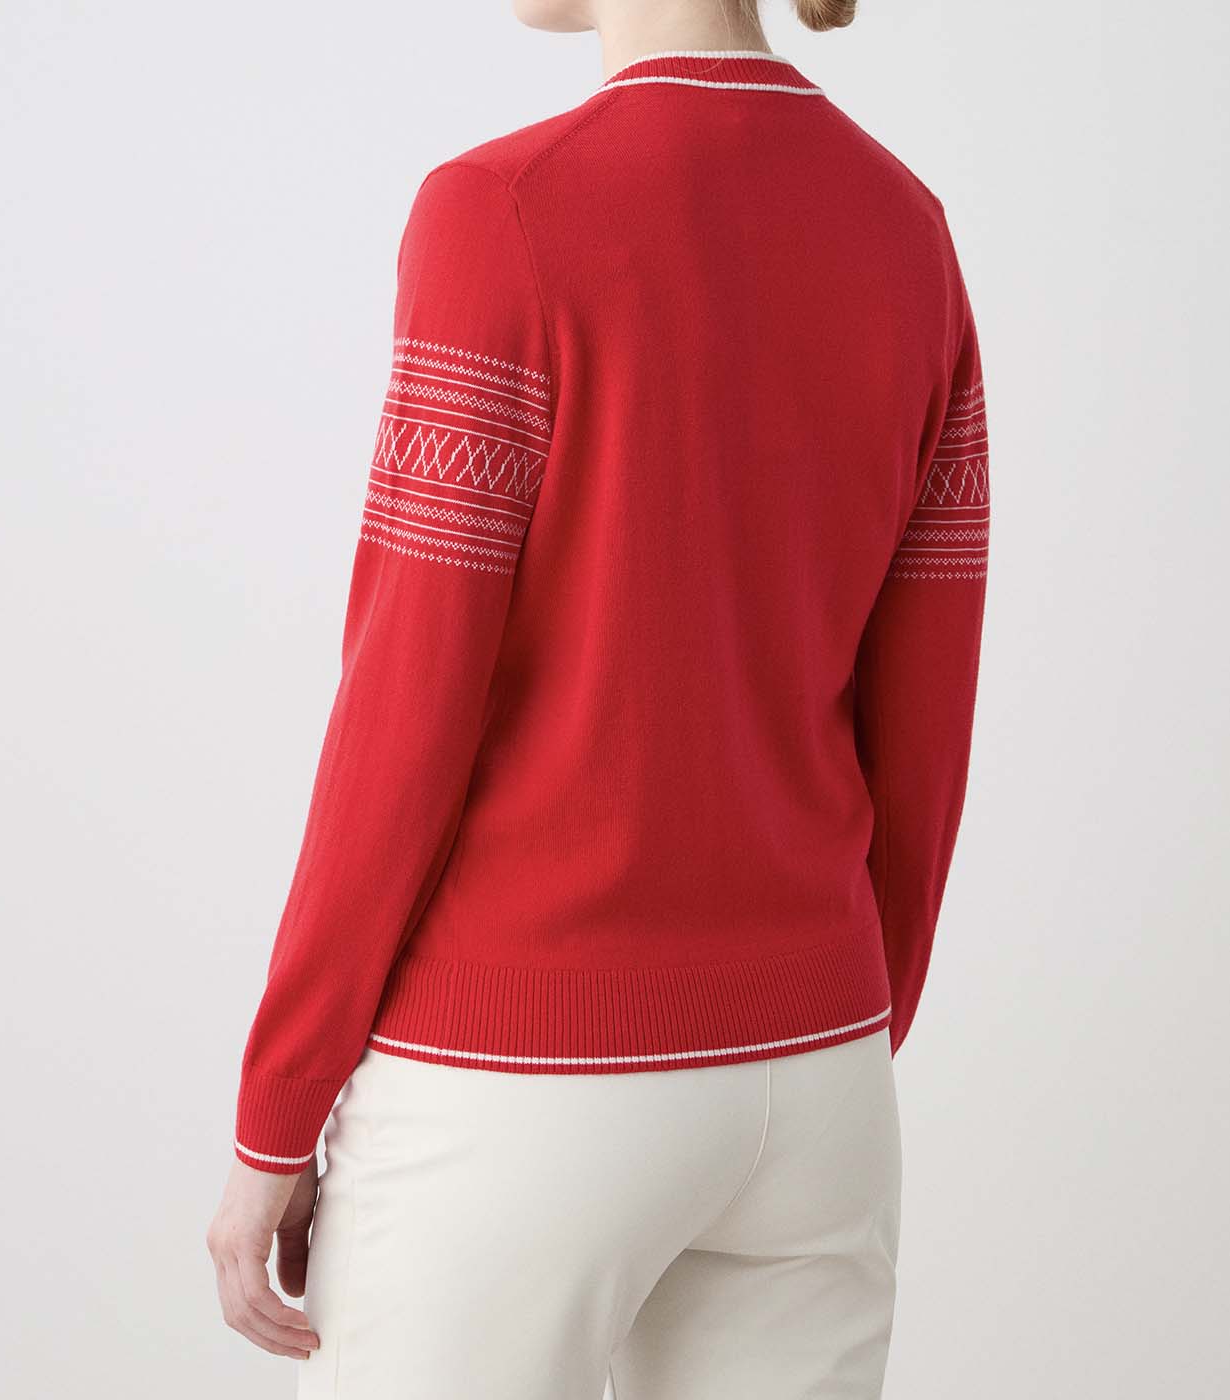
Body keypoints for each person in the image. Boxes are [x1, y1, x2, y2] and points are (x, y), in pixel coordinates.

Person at [206, 0, 990, 1395]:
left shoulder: (500, 211)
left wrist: (279, 1108)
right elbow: (927, 711)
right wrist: (849, 1016)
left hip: (525, 1077)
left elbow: (403, 711)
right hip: (819, 1077)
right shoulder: (907, 230)